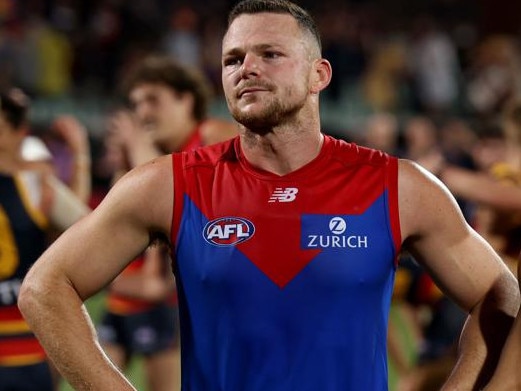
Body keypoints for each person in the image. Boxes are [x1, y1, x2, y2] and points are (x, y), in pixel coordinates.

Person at [18, 1, 520, 390]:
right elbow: (45, 288)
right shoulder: (168, 184)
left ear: (319, 74)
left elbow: (500, 294)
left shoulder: (397, 186)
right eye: (232, 59)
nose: (246, 68)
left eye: (270, 54)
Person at [96, 55, 237, 391]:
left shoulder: (215, 135)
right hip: (179, 303)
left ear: (185, 99)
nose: (143, 112)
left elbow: (183, 210)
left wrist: (140, 151)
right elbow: (110, 225)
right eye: (136, 103)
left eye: (153, 100)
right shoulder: (158, 157)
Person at [0, 88, 90, 391]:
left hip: (27, 350)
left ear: (18, 133)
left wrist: (79, 154)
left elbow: (85, 231)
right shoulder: (36, 183)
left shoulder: (36, 185)